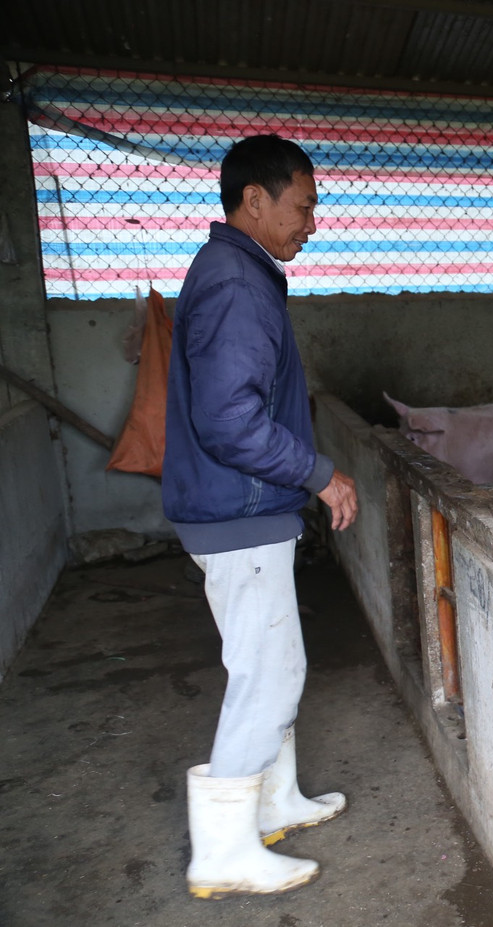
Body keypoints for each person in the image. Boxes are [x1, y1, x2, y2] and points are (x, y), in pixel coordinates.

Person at [163, 134, 358, 898]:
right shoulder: (238, 286)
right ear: (256, 200)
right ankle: (222, 851)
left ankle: (275, 802)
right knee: (267, 677)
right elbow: (229, 420)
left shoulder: (238, 274)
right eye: (303, 206)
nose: (311, 222)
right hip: (239, 512)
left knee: (273, 664)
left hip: (238, 510)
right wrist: (320, 474)